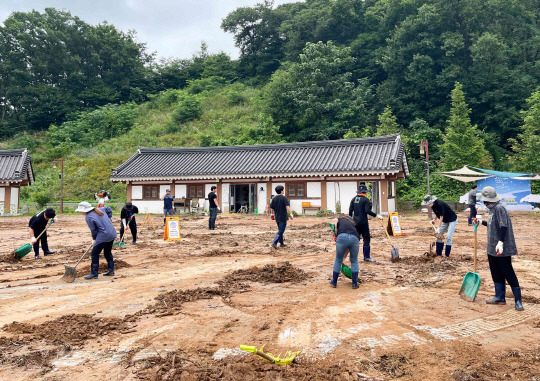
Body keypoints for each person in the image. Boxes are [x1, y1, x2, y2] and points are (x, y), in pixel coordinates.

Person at [478, 186, 523, 311]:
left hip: (501, 247)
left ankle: (518, 300)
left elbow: (504, 226)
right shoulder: (492, 209)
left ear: (490, 200)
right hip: (492, 247)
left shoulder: (499, 208)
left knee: (507, 271)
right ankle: (500, 297)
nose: (485, 203)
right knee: (496, 271)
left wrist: (501, 242)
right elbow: (493, 225)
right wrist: (481, 222)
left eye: (486, 201)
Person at [75, 201, 117, 279]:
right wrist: (109, 218)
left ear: (84, 210)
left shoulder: (89, 217)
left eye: (80, 211)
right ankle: (111, 271)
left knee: (94, 254)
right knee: (107, 252)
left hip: (103, 236)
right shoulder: (100, 209)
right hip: (112, 234)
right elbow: (109, 209)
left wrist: (94, 239)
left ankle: (94, 273)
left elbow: (93, 230)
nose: (80, 212)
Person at [348, 184, 383, 262]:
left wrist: (350, 220)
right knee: (366, 239)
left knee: (355, 239)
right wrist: (376, 215)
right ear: (365, 192)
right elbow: (367, 211)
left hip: (355, 222)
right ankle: (366, 257)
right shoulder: (366, 200)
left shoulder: (353, 199)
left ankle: (352, 257)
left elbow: (350, 211)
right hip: (363, 222)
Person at [330, 216, 360, 289]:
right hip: (355, 238)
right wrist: (344, 258)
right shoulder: (353, 224)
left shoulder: (340, 219)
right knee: (354, 260)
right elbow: (348, 247)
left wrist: (335, 232)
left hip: (342, 237)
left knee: (338, 260)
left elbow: (334, 221)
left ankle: (334, 282)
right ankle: (354, 284)